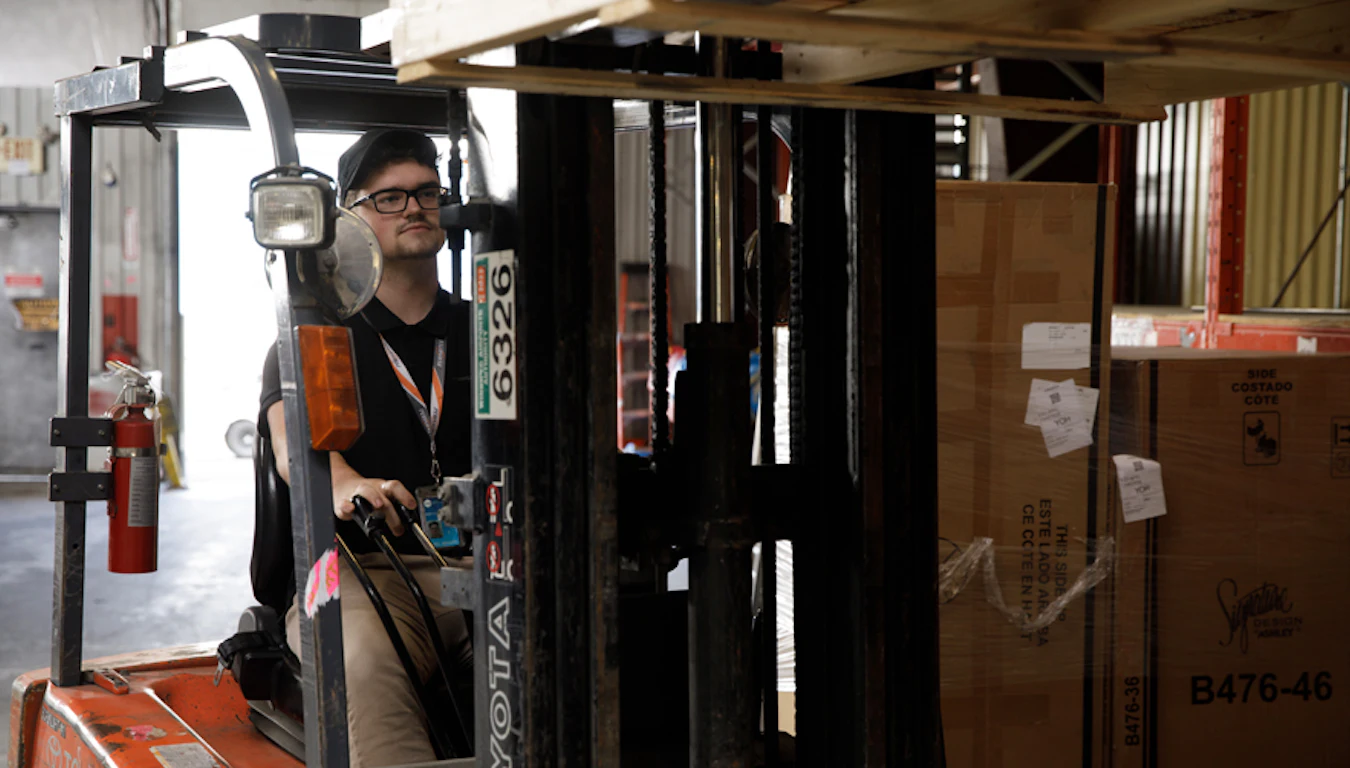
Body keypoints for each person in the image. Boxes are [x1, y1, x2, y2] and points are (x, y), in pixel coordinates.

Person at [256, 128, 473, 766]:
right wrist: (349, 484)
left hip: (484, 563)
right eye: (389, 198)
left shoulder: (489, 326)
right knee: (367, 663)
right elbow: (297, 448)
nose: (413, 207)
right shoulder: (318, 337)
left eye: (427, 192)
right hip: (359, 569)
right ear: (349, 217)